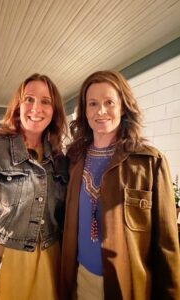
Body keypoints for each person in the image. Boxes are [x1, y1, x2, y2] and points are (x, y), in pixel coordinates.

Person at [61, 70, 180, 300]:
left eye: (109, 102)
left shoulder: (150, 162)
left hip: (129, 288)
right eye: (93, 103)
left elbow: (167, 246)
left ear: (123, 107)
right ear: (84, 111)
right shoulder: (73, 160)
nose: (101, 111)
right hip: (80, 281)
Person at [0, 73, 68, 300]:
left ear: (54, 110)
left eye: (46, 101)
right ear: (18, 105)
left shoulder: (60, 159)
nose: (36, 107)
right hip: (3, 264)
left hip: (50, 262)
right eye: (29, 99)